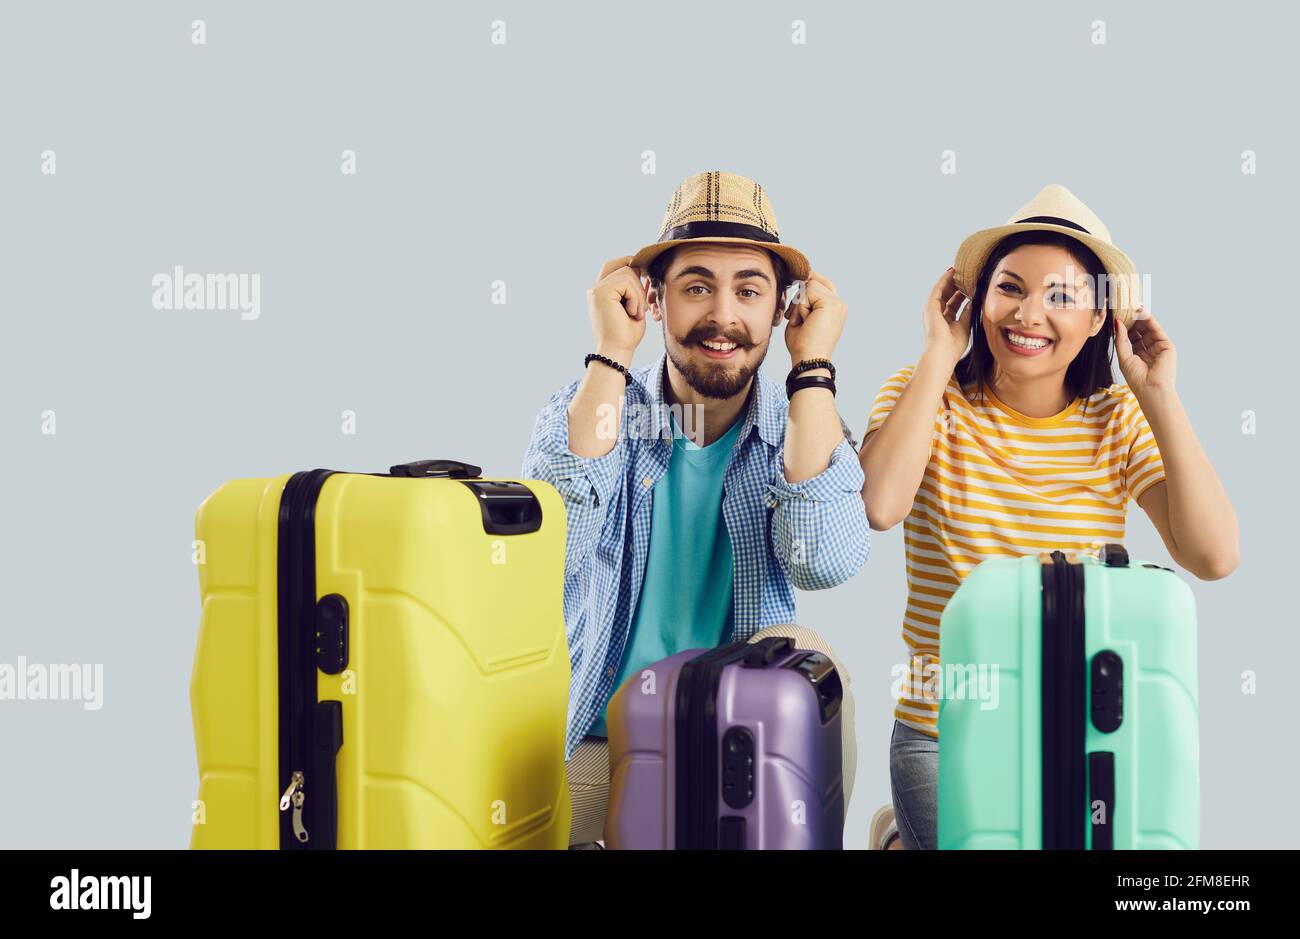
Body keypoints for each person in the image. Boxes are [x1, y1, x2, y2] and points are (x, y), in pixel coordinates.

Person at [860, 185, 1239, 850]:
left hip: (1077, 725)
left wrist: (1160, 397)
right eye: (1010, 287)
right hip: (941, 729)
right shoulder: (925, 394)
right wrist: (936, 355)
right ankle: (899, 834)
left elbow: (1214, 555)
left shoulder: (1117, 420)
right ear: (978, 300)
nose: (1029, 313)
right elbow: (880, 505)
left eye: (1062, 296)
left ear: (1100, 320)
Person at [523, 171, 870, 846]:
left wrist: (814, 367)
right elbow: (547, 551)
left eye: (748, 289)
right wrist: (611, 351)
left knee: (811, 659)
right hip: (599, 736)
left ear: (780, 309)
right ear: (653, 299)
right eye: (696, 287)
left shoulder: (802, 421)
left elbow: (824, 561)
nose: (723, 316)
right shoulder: (597, 408)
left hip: (736, 735)